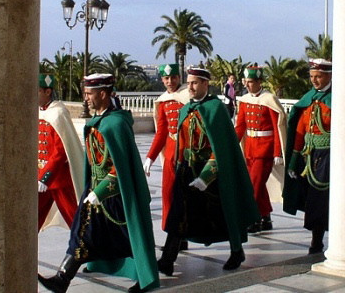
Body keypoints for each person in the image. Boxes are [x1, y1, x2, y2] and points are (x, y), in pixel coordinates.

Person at [38, 74, 159, 293]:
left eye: (89, 94)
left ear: (103, 94)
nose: (86, 98)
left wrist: (101, 191)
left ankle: (144, 276)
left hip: (116, 197)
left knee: (129, 238)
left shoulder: (116, 124)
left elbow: (119, 168)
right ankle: (62, 279)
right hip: (95, 192)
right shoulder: (98, 122)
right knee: (81, 233)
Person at [157, 67, 260, 276]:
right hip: (187, 170)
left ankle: (237, 251)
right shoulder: (186, 109)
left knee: (224, 213)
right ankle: (168, 259)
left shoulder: (216, 109)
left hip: (212, 175)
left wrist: (205, 177)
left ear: (206, 84)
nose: (191, 87)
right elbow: (180, 144)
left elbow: (220, 149)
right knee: (179, 213)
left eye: (195, 83)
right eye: (189, 82)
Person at [282, 58, 332, 255]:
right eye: (312, 76)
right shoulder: (308, 99)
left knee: (323, 198)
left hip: (328, 156)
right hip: (309, 157)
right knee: (312, 199)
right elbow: (300, 132)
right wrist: (293, 162)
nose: (314, 80)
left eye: (318, 76)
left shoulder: (336, 100)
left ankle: (325, 238)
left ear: (329, 76)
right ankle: (316, 239)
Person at [234, 66, 286, 233]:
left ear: (259, 82)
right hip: (250, 148)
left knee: (254, 185)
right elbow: (240, 126)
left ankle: (253, 218)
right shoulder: (244, 100)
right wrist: (231, 144)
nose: (247, 86)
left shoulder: (269, 99)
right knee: (258, 185)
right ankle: (265, 217)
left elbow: (278, 127)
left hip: (265, 149)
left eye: (250, 82)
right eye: (246, 82)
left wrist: (277, 152)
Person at [143, 63, 189, 233]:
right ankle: (170, 228)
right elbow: (161, 131)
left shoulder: (187, 96)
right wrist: (150, 157)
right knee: (168, 194)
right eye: (166, 78)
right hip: (171, 152)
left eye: (173, 77)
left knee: (185, 196)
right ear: (162, 80)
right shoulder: (162, 101)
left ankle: (182, 233)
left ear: (179, 77)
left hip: (187, 152)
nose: (170, 81)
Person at [37, 74, 84, 232]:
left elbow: (60, 150)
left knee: (75, 219)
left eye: (37, 91)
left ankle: (86, 252)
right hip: (41, 176)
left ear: (47, 92)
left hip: (58, 178)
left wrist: (46, 177)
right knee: (31, 218)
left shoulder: (58, 113)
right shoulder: (39, 112)